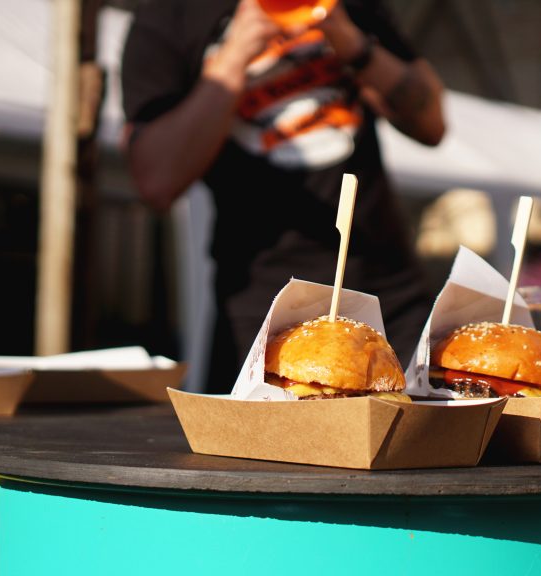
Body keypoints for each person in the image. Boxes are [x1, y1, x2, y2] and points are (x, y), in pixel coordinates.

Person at [121, 0, 445, 393]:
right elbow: (156, 181)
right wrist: (235, 54)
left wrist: (352, 43)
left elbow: (432, 123)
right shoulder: (168, 16)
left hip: (388, 295)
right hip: (262, 310)